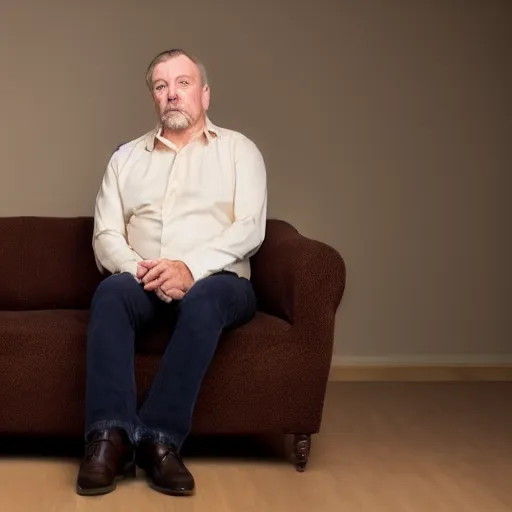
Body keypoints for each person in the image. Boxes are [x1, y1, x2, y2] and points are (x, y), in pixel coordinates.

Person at [76, 48, 267, 497]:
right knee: (110, 293)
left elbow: (250, 228)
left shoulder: (240, 151)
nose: (172, 94)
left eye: (183, 83)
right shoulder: (126, 159)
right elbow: (105, 235)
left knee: (203, 298)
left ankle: (159, 441)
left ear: (204, 94)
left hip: (221, 282)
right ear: (154, 99)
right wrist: (143, 270)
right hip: (143, 278)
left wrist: (189, 268)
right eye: (161, 86)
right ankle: (110, 440)